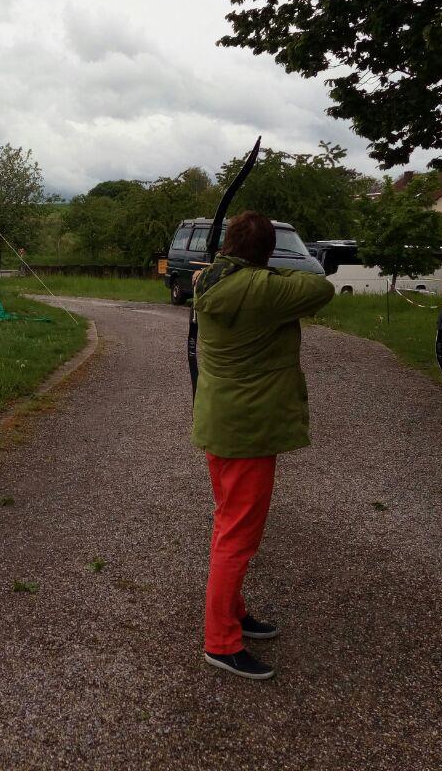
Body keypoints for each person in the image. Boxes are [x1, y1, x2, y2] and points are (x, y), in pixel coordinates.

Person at [191, 211, 335, 680]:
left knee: (226, 523)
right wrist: (266, 269)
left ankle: (233, 613)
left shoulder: (208, 282)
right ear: (267, 252)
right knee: (237, 537)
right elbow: (321, 286)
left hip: (220, 422)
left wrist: (229, 266)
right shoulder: (263, 290)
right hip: (248, 430)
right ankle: (220, 642)